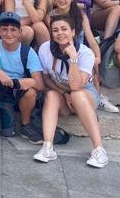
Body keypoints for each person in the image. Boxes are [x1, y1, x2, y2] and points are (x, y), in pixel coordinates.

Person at [33, 16, 109, 168]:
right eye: (55, 30)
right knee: (51, 95)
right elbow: (47, 79)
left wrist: (73, 58)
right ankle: (48, 147)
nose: (60, 33)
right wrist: (63, 93)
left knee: (76, 94)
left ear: (73, 32)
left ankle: (99, 150)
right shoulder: (45, 48)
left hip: (84, 94)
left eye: (64, 29)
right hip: (62, 93)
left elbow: (76, 86)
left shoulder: (85, 53)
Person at [0, 12, 44, 142]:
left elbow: (40, 83)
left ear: (20, 32)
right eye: (4, 29)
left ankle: (25, 124)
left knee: (32, 91)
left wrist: (28, 81)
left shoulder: (27, 51)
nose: (9, 34)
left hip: (17, 90)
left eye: (13, 30)